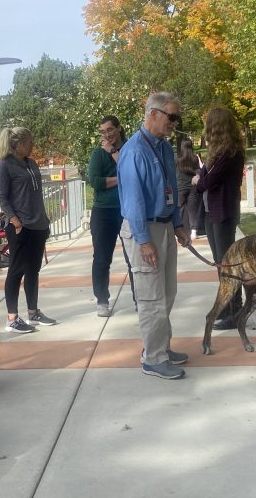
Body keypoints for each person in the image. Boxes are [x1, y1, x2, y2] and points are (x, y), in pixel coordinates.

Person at [118, 92, 192, 380]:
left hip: (162, 225)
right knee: (151, 298)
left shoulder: (162, 147)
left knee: (167, 291)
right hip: (144, 229)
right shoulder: (134, 151)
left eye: (176, 117)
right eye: (171, 117)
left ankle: (160, 346)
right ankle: (153, 358)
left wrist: (177, 224)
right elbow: (134, 200)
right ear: (153, 114)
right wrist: (144, 240)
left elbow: (170, 187)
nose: (175, 123)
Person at [0, 126, 57, 333]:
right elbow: (2, 196)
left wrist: (45, 220)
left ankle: (33, 312)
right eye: (29, 142)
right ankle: (12, 318)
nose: (32, 145)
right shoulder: (5, 166)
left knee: (33, 270)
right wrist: (15, 220)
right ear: (17, 144)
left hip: (39, 225)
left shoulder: (31, 164)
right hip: (20, 227)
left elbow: (36, 195)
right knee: (16, 271)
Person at [193, 106, 246, 329]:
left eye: (209, 126)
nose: (206, 131)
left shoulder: (230, 152)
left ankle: (234, 311)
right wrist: (202, 172)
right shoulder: (218, 152)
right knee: (220, 263)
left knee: (227, 264)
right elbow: (203, 174)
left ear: (216, 127)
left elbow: (206, 182)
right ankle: (227, 307)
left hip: (223, 212)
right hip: (211, 212)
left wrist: (200, 179)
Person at [87, 115, 130, 317]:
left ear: (119, 128)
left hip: (128, 209)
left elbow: (131, 171)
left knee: (134, 257)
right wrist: (121, 178)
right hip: (103, 211)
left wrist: (113, 152)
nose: (106, 135)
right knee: (102, 258)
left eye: (110, 130)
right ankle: (102, 299)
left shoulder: (130, 148)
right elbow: (94, 181)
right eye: (103, 132)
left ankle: (140, 298)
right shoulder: (97, 154)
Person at [175, 135, 203, 242]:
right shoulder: (195, 158)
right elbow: (199, 170)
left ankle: (180, 230)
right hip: (192, 187)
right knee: (192, 210)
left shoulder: (177, 159)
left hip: (180, 187)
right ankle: (194, 232)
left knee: (180, 209)